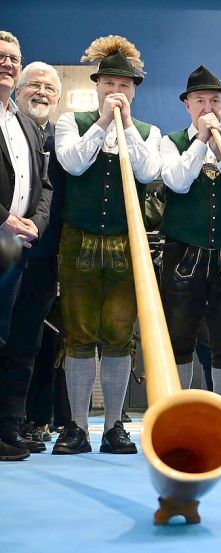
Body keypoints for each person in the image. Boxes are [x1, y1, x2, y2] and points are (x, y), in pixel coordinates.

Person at [53, 36, 161, 455]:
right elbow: (73, 163)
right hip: (77, 242)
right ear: (97, 86)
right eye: (110, 83)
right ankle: (78, 427)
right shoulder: (72, 122)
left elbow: (150, 170)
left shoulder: (147, 132)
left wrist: (128, 126)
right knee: (78, 336)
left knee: (119, 337)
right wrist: (102, 123)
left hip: (125, 243)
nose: (117, 91)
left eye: (126, 85)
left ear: (134, 91)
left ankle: (115, 426)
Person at [159, 65, 221, 410]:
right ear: (187, 105)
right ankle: (180, 411)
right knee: (179, 335)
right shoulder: (171, 142)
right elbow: (178, 182)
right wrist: (200, 141)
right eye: (200, 100)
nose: (208, 107)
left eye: (216, 100)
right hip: (182, 251)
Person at [0, 31, 53, 461]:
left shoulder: (24, 124)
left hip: (23, 249)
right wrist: (4, 219)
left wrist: (34, 222)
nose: (7, 63)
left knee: (20, 344)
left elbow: (45, 185)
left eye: (13, 58)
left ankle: (9, 428)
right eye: (0, 57)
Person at [12, 61, 66, 445]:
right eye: (33, 85)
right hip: (6, 249)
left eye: (49, 88)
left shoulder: (65, 139)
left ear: (59, 98)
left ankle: (31, 421)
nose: (41, 93)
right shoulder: (9, 129)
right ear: (18, 89)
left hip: (47, 255)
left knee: (39, 343)